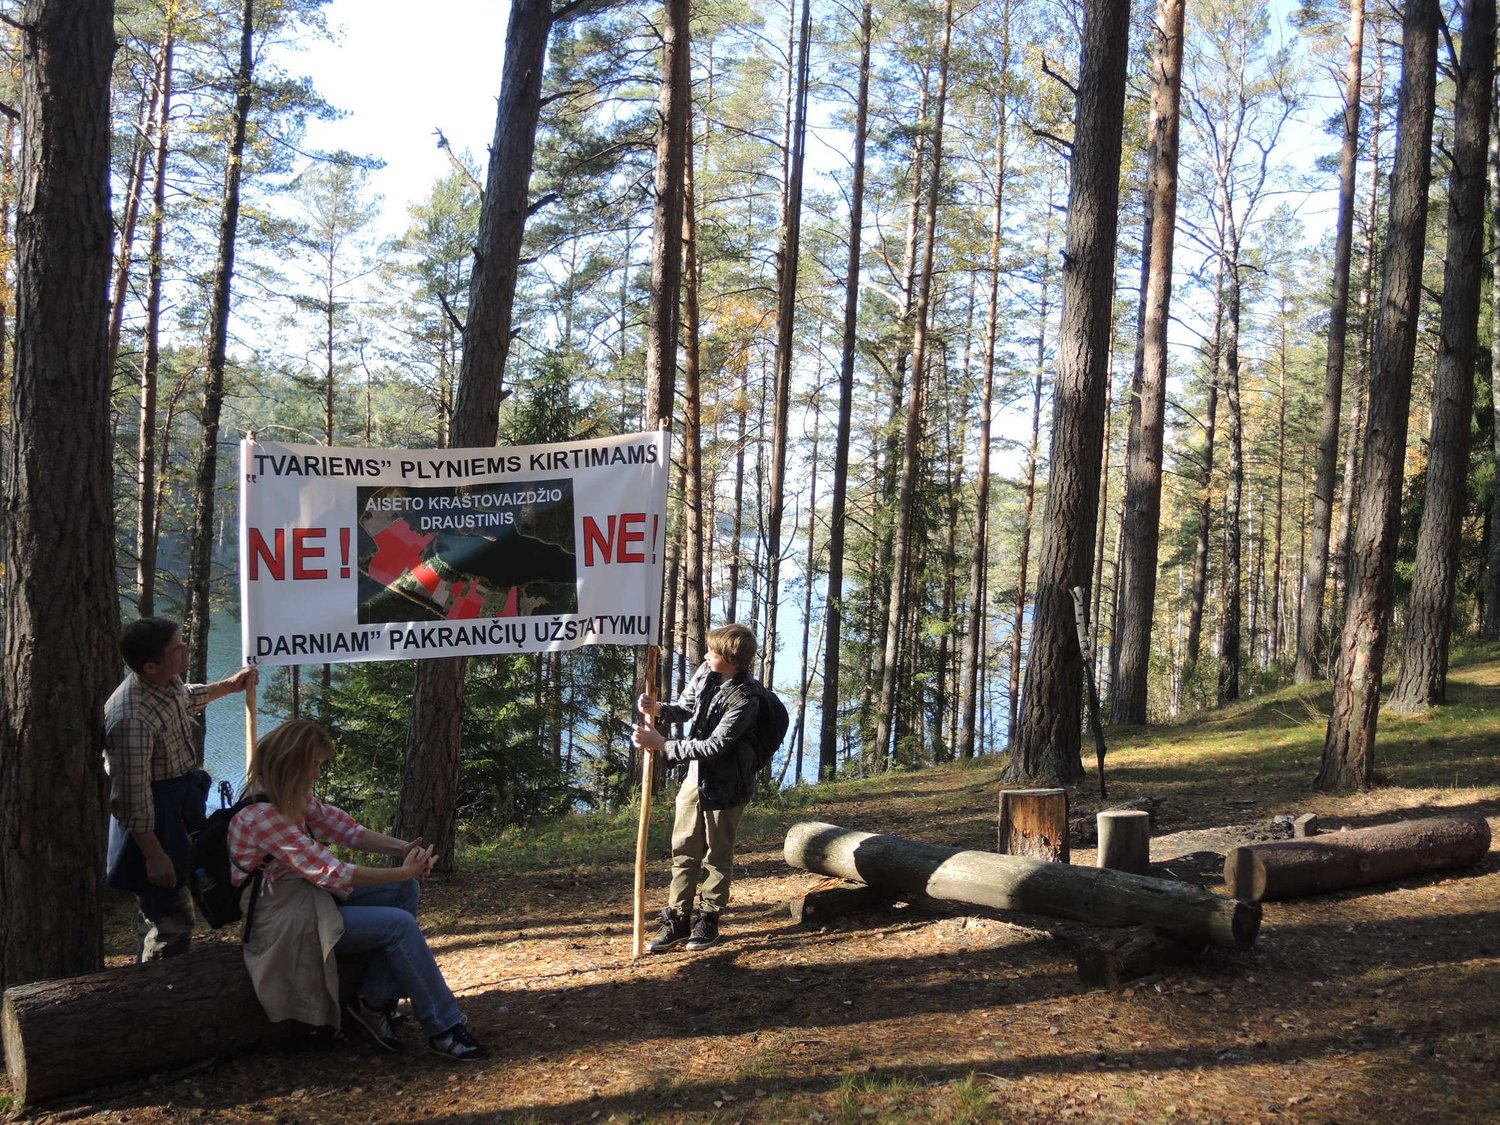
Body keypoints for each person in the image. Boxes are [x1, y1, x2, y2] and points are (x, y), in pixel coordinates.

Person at [227, 719, 489, 1061]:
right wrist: (401, 872)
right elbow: (330, 871)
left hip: (309, 899)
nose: (317, 775)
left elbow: (344, 829)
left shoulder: (286, 794)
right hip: (282, 920)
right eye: (315, 765)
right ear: (291, 762)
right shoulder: (261, 815)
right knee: (399, 924)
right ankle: (444, 1028)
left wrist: (403, 849)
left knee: (404, 892)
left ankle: (375, 1001)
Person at [104, 616, 257, 961]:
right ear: (150, 665)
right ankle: (160, 992)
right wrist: (154, 854)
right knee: (168, 915)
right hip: (153, 822)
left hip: (175, 806)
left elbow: (184, 698)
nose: (186, 649)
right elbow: (131, 797)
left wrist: (229, 686)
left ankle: (157, 979)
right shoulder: (132, 718)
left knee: (166, 903)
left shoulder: (161, 682)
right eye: (178, 648)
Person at [632, 623, 761, 952]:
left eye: (713, 652)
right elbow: (686, 708)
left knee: (717, 856)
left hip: (728, 785)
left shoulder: (746, 698)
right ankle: (677, 920)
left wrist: (662, 745)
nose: (706, 655)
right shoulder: (706, 671)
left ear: (732, 660)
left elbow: (714, 746)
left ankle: (709, 920)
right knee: (684, 850)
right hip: (695, 779)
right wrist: (659, 710)